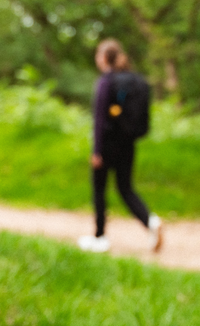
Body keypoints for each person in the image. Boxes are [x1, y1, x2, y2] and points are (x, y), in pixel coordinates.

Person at [78, 39, 162, 253]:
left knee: (99, 189)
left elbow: (99, 120)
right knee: (125, 188)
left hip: (107, 144)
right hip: (128, 143)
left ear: (104, 58)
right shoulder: (134, 81)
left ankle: (100, 237)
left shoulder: (106, 82)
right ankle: (150, 221)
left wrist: (97, 151)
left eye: (98, 55)